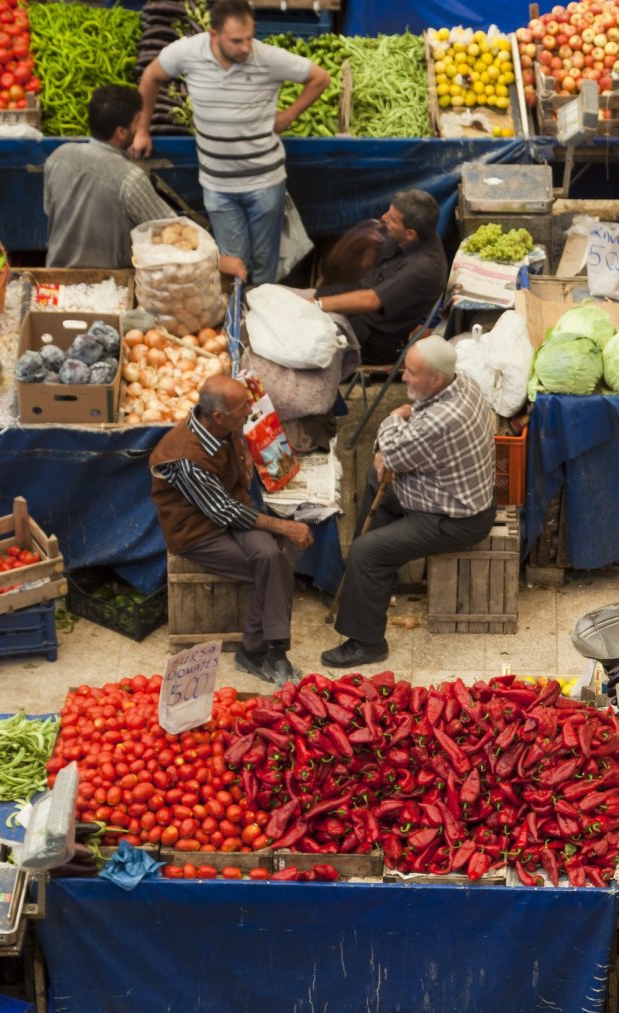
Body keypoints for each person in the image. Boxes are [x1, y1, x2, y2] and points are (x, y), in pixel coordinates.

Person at [323, 336, 497, 668]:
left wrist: (392, 417)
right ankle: (373, 585)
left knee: (365, 551)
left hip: (456, 521)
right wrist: (393, 445)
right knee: (378, 482)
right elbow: (397, 450)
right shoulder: (465, 382)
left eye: (412, 373)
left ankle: (367, 642)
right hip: (447, 494)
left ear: (436, 379)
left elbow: (391, 452)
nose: (403, 377)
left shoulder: (440, 420)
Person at [134, 0, 330, 284]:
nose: (246, 47)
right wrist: (142, 130)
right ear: (214, 35)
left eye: (250, 38)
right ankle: (238, 319)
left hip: (264, 183)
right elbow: (151, 77)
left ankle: (260, 315)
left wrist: (288, 116)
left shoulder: (268, 57)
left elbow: (319, 77)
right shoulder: (188, 52)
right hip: (218, 186)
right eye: (236, 41)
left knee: (265, 267)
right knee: (233, 265)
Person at [152, 375, 318, 684]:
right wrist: (284, 526)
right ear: (218, 415)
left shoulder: (225, 427)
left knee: (271, 556)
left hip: (234, 513)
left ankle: (259, 652)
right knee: (270, 565)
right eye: (242, 408)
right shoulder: (186, 456)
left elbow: (233, 501)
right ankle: (267, 653)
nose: (249, 411)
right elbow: (224, 512)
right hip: (198, 532)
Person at [42, 86, 181, 270]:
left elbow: (49, 209)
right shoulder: (130, 178)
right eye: (136, 121)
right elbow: (172, 230)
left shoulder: (58, 157)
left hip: (56, 276)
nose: (139, 127)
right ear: (121, 132)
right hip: (110, 285)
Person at [308, 189, 449, 367]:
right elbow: (362, 271)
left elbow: (371, 300)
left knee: (296, 332)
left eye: (392, 219)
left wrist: (317, 305)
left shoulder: (422, 268)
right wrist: (368, 247)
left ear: (410, 234)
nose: (384, 218)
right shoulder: (410, 237)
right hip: (357, 303)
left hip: (370, 337)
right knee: (288, 306)